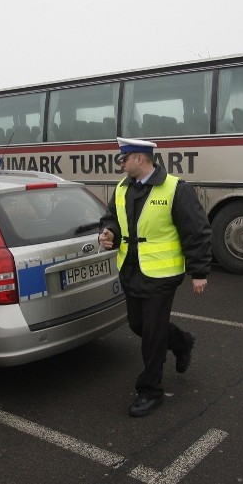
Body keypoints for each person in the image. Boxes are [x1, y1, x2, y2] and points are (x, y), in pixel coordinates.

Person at [99, 137, 212, 417]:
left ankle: (150, 391)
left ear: (140, 158)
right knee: (138, 325)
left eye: (124, 159)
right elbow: (111, 217)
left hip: (161, 274)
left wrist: (199, 272)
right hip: (131, 269)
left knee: (151, 333)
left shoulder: (176, 188)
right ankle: (182, 341)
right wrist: (108, 232)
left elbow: (196, 231)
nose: (121, 164)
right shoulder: (122, 188)